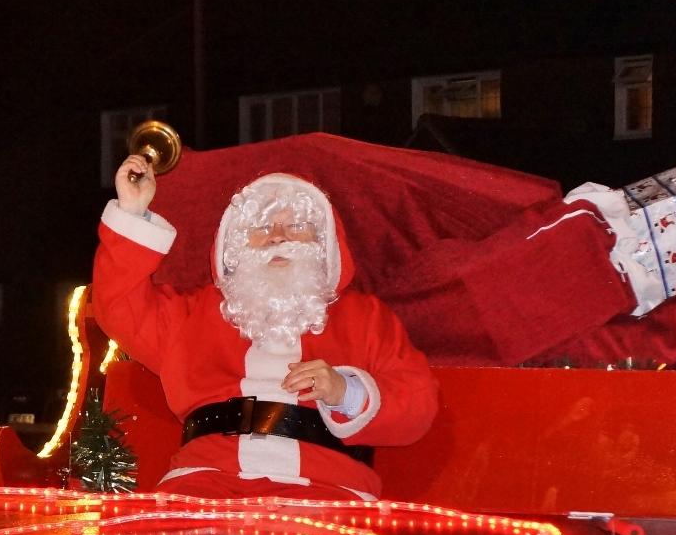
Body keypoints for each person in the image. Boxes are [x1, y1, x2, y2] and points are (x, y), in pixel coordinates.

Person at [91, 154, 439, 501]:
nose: (277, 238)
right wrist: (133, 214)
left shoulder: (366, 318)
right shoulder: (195, 314)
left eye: (295, 227)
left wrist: (343, 391)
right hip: (206, 481)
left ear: (324, 245)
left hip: (328, 488)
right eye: (260, 228)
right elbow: (119, 307)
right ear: (233, 248)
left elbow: (418, 404)